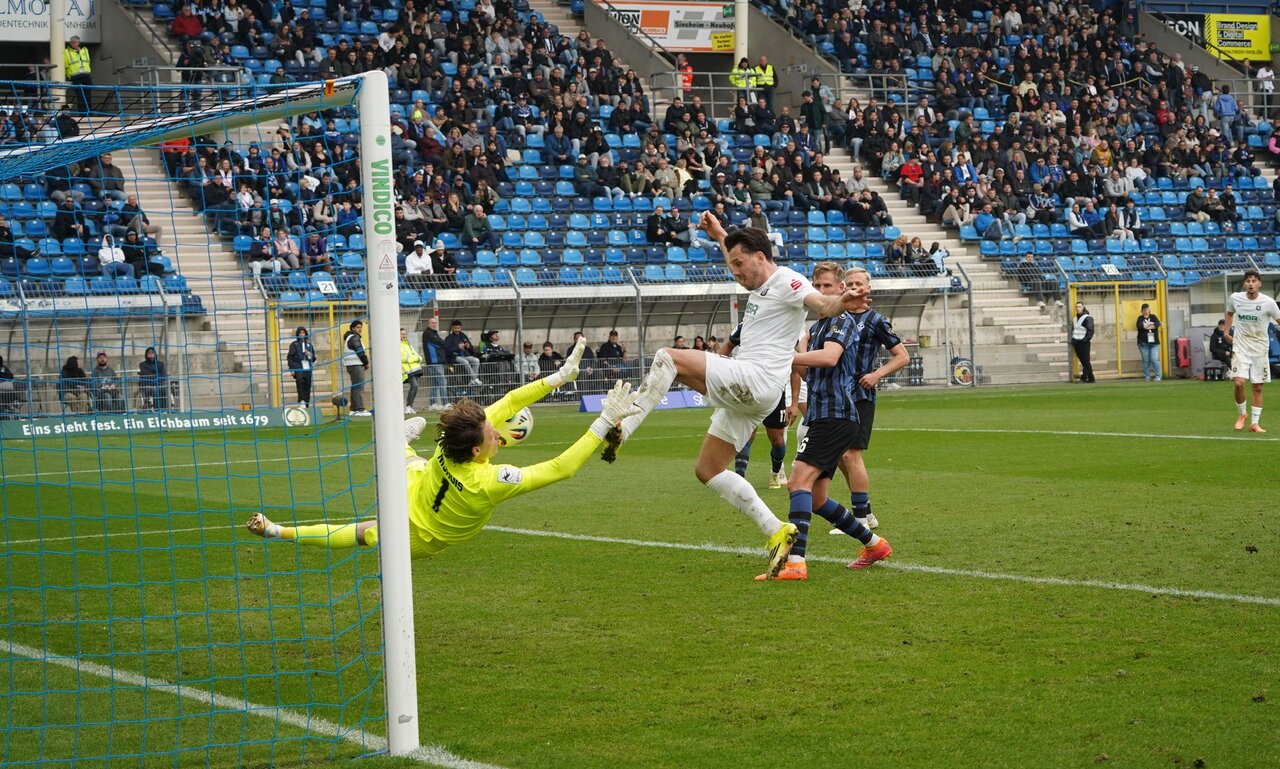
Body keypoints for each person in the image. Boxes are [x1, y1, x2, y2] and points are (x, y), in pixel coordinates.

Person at [601, 219, 868, 578]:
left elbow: (820, 301)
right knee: (708, 470)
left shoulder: (787, 280)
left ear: (760, 257)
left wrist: (840, 301)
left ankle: (624, 429)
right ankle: (776, 529)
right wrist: (718, 235)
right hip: (753, 392)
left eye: (740, 265)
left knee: (668, 357)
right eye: (732, 266)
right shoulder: (758, 278)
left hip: (755, 379)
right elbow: (738, 249)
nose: (736, 273)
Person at [246, 343, 641, 559]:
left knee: (401, 459)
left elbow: (509, 400)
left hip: (421, 481)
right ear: (474, 451)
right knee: (363, 533)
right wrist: (602, 422)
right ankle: (282, 530)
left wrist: (558, 376)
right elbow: (561, 467)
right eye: (493, 435)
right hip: (419, 535)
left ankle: (397, 440)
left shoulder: (446, 448)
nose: (498, 435)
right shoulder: (489, 481)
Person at [763, 262, 892, 581]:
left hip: (836, 415)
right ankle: (874, 545)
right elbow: (809, 371)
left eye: (827, 287)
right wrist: (800, 348)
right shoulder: (817, 328)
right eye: (816, 286)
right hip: (823, 414)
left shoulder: (841, 321)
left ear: (841, 291)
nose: (820, 292)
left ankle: (795, 562)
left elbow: (830, 358)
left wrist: (785, 356)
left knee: (797, 481)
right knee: (817, 497)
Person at [1223, 270, 1280, 432]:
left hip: (1260, 349)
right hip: (1241, 347)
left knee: (1257, 386)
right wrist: (1226, 332)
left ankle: (1255, 423)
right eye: (1248, 281)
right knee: (1239, 382)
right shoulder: (1235, 298)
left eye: (1254, 281)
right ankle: (1242, 414)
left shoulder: (1268, 303)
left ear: (1259, 283)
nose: (1250, 283)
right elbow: (1229, 313)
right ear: (1244, 284)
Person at [420, 317, 450, 410]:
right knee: (442, 381)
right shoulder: (428, 334)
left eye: (435, 323)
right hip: (434, 362)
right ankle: (445, 403)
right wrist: (443, 344)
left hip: (437, 362)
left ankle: (432, 403)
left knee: (435, 383)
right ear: (428, 324)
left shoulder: (434, 333)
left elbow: (441, 344)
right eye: (432, 323)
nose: (434, 324)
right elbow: (441, 343)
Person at [343, 320, 370, 416]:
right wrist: (366, 362)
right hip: (355, 364)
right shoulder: (354, 338)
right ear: (353, 328)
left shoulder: (350, 337)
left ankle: (354, 409)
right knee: (359, 387)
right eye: (358, 327)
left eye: (361, 327)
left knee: (355, 386)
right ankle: (359, 408)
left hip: (352, 364)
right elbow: (360, 351)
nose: (360, 329)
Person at [444, 320, 483, 385]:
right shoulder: (449, 338)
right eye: (455, 328)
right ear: (452, 328)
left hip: (465, 355)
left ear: (461, 328)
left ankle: (472, 379)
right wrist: (457, 347)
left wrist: (468, 346)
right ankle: (474, 378)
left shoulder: (463, 336)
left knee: (476, 360)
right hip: (455, 356)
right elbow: (447, 349)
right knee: (465, 362)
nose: (457, 330)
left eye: (458, 328)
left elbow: (470, 346)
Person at [286, 326, 315, 407]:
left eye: (303, 333)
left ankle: (307, 403)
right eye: (300, 333)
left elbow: (314, 359)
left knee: (308, 385)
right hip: (298, 366)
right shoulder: (294, 344)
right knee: (300, 383)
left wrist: (310, 355)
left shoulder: (309, 345)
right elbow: (290, 357)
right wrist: (291, 369)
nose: (302, 334)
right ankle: (301, 401)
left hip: (307, 367)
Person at [64, 36, 94, 114]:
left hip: (86, 75)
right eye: (72, 42)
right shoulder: (67, 52)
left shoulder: (85, 50)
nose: (74, 44)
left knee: (88, 95)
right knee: (80, 96)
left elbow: (88, 62)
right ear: (70, 43)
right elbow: (66, 65)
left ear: (79, 43)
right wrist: (70, 76)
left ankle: (89, 112)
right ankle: (82, 113)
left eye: (76, 42)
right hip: (76, 76)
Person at [400, 328, 424, 415]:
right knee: (414, 385)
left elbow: (415, 355)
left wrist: (418, 358)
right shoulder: (398, 344)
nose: (404, 335)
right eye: (402, 334)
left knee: (415, 387)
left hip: (415, 369)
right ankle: (408, 406)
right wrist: (415, 359)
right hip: (407, 370)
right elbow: (404, 357)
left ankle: (410, 406)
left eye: (405, 334)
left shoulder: (408, 344)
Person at [1136, 303, 1163, 382]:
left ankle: (1158, 376)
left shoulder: (1153, 317)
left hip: (1154, 343)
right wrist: (1150, 324)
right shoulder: (1140, 318)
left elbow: (1157, 324)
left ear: (1149, 310)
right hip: (1144, 343)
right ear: (1142, 311)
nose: (1146, 311)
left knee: (1154, 359)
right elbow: (1140, 326)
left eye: (1147, 309)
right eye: (1144, 310)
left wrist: (1148, 326)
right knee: (1146, 360)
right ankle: (1147, 376)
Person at [1072, 302, 1095, 384]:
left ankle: (1084, 377)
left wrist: (1085, 340)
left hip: (1083, 343)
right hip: (1077, 343)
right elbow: (1074, 330)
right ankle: (1091, 378)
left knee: (1085, 361)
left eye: (1079, 306)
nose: (1078, 308)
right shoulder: (1075, 319)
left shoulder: (1087, 318)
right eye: (1077, 307)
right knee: (1085, 362)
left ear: (1083, 307)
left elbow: (1090, 330)